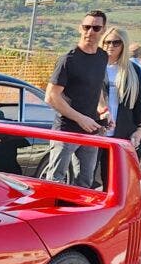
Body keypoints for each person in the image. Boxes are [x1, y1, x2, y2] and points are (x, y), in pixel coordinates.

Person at [42, 10, 110, 188]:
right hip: (66, 130)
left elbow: (97, 88)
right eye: (86, 27)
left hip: (91, 130)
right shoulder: (68, 59)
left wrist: (103, 110)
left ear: (103, 30)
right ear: (80, 28)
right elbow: (51, 96)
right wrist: (80, 118)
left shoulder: (102, 57)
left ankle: (77, 215)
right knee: (55, 181)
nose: (90, 32)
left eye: (96, 28)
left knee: (85, 183)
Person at [100, 27, 141, 150]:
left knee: (113, 170)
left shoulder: (133, 70)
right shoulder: (95, 66)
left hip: (122, 133)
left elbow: (139, 102)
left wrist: (140, 129)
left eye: (116, 42)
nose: (111, 45)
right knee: (89, 169)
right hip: (96, 129)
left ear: (123, 45)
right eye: (107, 42)